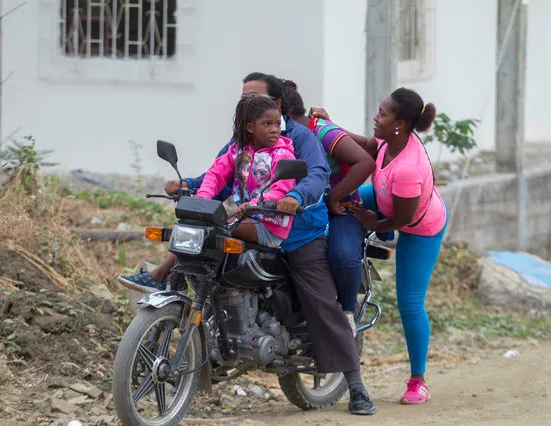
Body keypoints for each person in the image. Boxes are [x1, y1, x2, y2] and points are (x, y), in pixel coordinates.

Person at [120, 73, 376, 415]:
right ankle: (199, 325)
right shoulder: (240, 141)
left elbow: (316, 175)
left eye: (252, 98)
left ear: (277, 105)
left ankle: (356, 385)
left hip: (299, 230)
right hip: (248, 221)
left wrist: (296, 196)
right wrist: (190, 187)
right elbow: (220, 175)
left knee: (321, 303)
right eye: (243, 100)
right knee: (204, 249)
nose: (243, 104)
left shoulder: (299, 138)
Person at [311, 87, 448, 406]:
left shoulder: (409, 168)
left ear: (399, 124)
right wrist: (333, 127)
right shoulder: (391, 138)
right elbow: (370, 146)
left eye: (382, 114)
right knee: (338, 202)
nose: (376, 116)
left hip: (419, 225)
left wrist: (375, 225)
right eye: (379, 110)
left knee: (410, 302)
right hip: (388, 199)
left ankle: (418, 381)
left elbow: (399, 220)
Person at [282, 80, 375, 335]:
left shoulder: (321, 131)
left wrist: (334, 197)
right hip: (302, 211)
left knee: (342, 256)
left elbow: (365, 162)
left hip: (341, 210)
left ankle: (346, 314)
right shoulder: (273, 138)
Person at [196, 94, 296, 247]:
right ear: (250, 127)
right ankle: (166, 272)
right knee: (194, 225)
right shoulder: (237, 150)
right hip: (244, 217)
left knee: (214, 225)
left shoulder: (283, 155)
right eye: (267, 124)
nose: (275, 130)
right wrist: (203, 197)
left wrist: (254, 204)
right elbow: (216, 174)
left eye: (277, 124)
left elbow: (280, 192)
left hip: (270, 226)